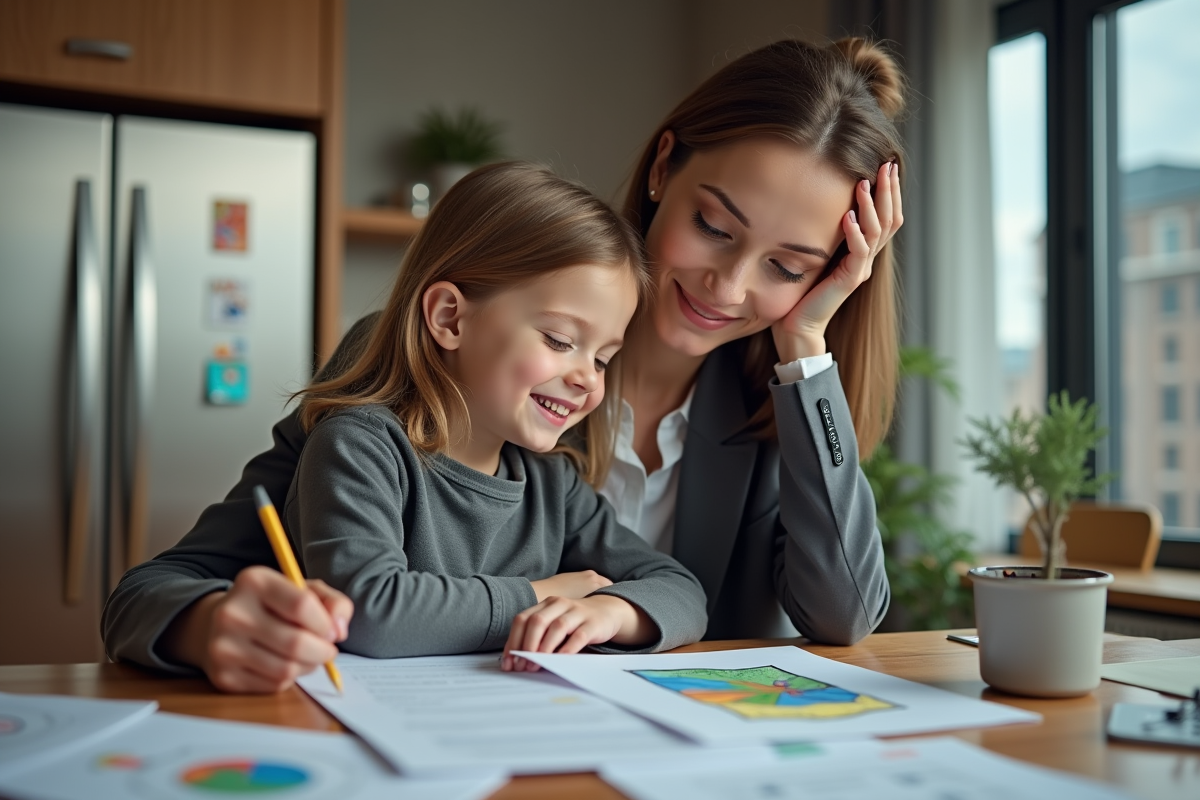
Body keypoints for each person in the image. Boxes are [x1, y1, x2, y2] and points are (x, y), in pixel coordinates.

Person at [103, 36, 905, 691]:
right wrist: (214, 625)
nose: (727, 286)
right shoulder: (432, 374)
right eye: (715, 225)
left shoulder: (777, 413)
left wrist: (805, 349)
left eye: (789, 267)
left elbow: (841, 617)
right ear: (664, 170)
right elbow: (151, 594)